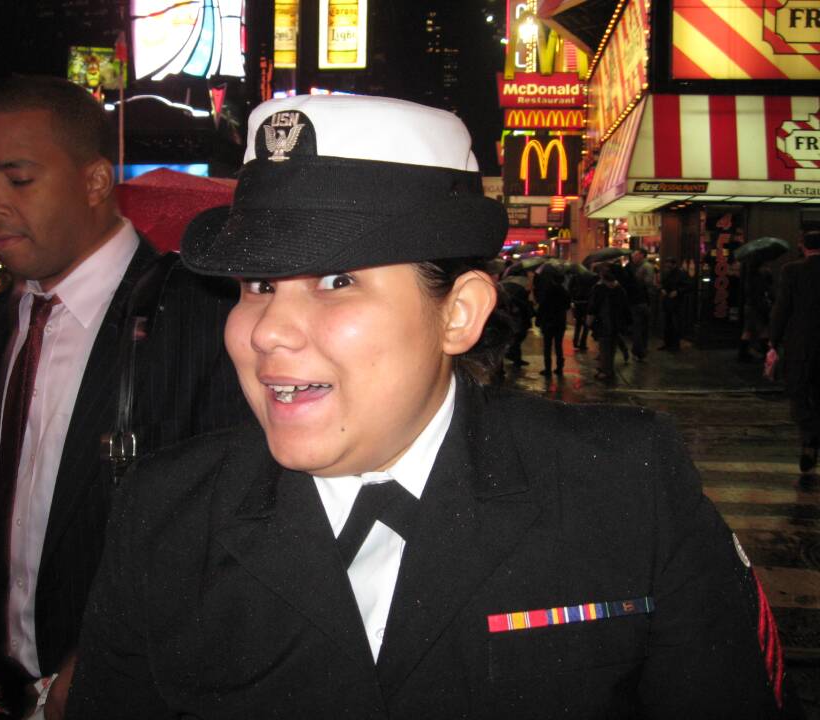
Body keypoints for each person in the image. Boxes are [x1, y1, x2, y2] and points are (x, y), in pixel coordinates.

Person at [66, 94, 787, 718]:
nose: (267, 331)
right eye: (256, 284)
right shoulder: (166, 514)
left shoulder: (623, 486)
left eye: (336, 280)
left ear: (459, 314)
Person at [0, 76, 247, 718]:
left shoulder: (196, 318)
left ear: (94, 182)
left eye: (19, 179)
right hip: (15, 682)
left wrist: (99, 657)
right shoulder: (12, 315)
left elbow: (221, 533)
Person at [768, 229, 820, 473]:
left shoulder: (792, 271)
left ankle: (809, 437)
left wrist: (773, 341)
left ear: (803, 246)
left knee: (799, 390)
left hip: (801, 343)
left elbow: (782, 308)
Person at [588, 263, 631, 382]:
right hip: (616, 322)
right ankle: (607, 368)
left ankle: (606, 371)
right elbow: (625, 307)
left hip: (603, 321)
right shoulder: (620, 289)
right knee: (611, 347)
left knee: (605, 347)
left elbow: (593, 306)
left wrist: (589, 320)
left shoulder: (599, 288)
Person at [534, 267, 570, 376]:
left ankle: (548, 369)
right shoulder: (564, 292)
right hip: (560, 321)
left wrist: (538, 320)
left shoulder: (548, 291)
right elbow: (567, 306)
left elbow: (543, 306)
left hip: (548, 322)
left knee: (548, 346)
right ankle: (559, 368)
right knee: (558, 346)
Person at [624, 249, 655, 361]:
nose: (633, 257)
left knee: (639, 327)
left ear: (642, 255)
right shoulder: (635, 267)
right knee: (640, 327)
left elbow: (649, 282)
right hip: (640, 301)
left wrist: (636, 279)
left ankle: (639, 351)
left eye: (635, 255)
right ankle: (640, 350)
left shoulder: (646, 267)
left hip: (642, 301)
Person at [659, 257, 690, 352]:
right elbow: (663, 284)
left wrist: (677, 292)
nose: (667, 266)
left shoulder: (681, 274)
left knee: (676, 324)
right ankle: (667, 343)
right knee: (667, 323)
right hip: (667, 301)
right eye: (666, 264)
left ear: (673, 264)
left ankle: (675, 345)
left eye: (668, 264)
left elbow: (688, 286)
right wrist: (662, 289)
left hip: (677, 302)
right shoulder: (666, 272)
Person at [569, 269, 596, 352]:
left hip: (578, 302)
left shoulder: (575, 276)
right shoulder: (592, 277)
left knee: (578, 323)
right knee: (586, 325)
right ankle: (583, 343)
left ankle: (575, 342)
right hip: (587, 302)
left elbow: (570, 287)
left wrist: (573, 298)